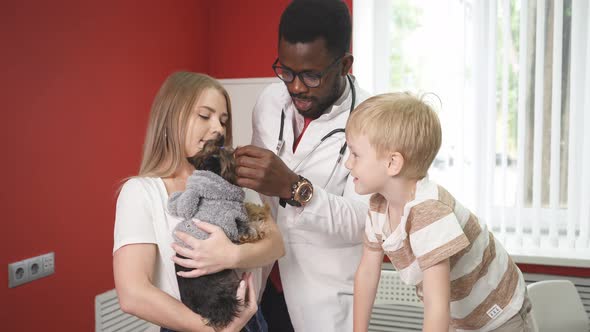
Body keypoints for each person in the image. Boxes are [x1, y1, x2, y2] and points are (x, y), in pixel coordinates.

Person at [233, 1, 371, 331]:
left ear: (345, 65)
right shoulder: (268, 101)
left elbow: (366, 223)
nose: (295, 87)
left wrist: (295, 189)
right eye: (286, 71)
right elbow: (259, 198)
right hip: (261, 278)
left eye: (311, 75)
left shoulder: (371, 120)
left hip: (321, 297)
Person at [347, 93, 534, 332]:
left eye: (355, 154)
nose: (348, 163)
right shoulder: (378, 207)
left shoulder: (429, 212)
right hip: (460, 316)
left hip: (499, 314)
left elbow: (437, 306)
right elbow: (367, 273)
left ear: (392, 163)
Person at [113, 72, 284, 332]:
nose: (218, 128)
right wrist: (214, 330)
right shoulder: (141, 192)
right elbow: (133, 293)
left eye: (223, 120)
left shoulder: (234, 185)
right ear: (171, 119)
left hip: (250, 321)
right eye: (205, 116)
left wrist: (232, 255)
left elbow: (276, 245)